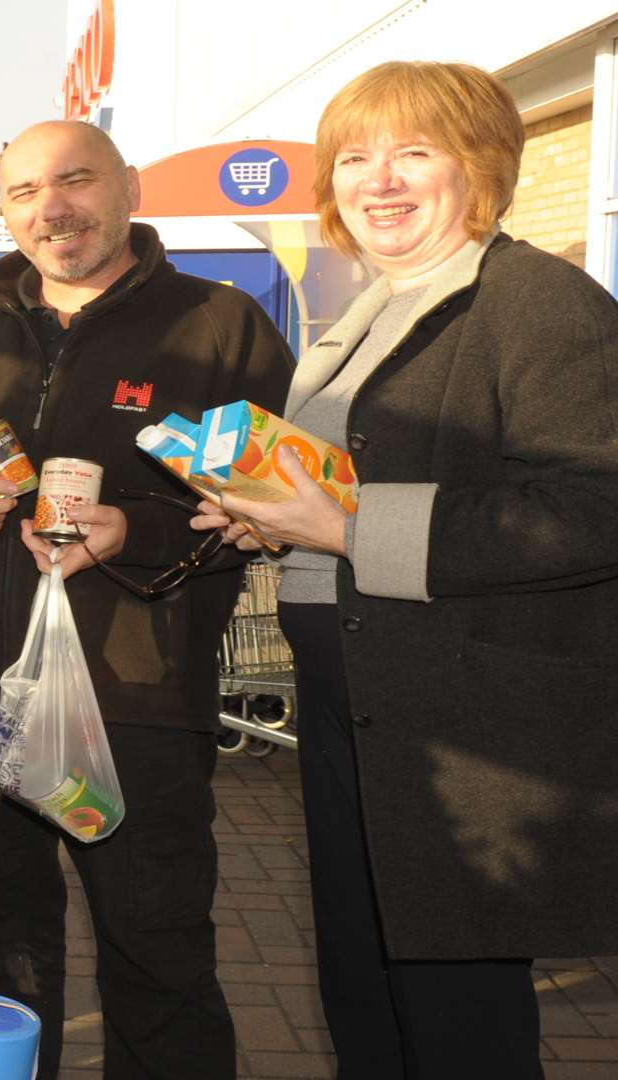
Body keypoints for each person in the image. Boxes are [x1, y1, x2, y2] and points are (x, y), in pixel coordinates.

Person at [190, 62, 618, 1077]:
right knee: (369, 983)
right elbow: (362, 483)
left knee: (455, 1013)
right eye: (353, 158)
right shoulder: (378, 306)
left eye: (413, 152)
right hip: (364, 705)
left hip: (467, 727)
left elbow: (592, 511)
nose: (378, 180)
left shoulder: (538, 302)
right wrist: (277, 523)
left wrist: (341, 524)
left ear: (480, 166)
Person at [0, 120, 293, 1079]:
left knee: (156, 947)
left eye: (75, 180)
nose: (51, 209)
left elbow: (271, 506)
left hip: (134, 695)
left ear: (129, 186)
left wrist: (137, 531)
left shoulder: (218, 325)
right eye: (22, 192)